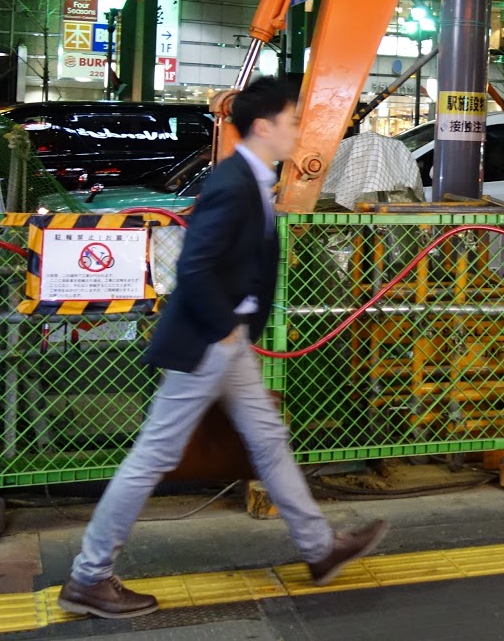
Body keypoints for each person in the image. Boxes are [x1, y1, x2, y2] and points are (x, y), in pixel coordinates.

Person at [58, 78, 387, 619]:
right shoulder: (234, 182)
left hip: (226, 340)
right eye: (292, 121)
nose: (298, 131)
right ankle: (89, 576)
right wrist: (226, 330)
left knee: (268, 440)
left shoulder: (251, 180)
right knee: (153, 456)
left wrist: (236, 331)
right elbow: (195, 264)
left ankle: (319, 549)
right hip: (209, 341)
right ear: (263, 126)